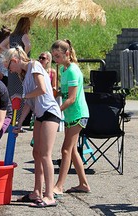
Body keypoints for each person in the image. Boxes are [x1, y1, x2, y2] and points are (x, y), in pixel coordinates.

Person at [2, 46, 61, 208]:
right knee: (36, 152)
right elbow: (28, 103)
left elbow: (41, 90)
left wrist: (21, 95)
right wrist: (19, 124)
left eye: (9, 67)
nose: (10, 71)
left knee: (45, 154)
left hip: (50, 112)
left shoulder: (35, 66)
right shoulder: (25, 74)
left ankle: (49, 196)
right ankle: (37, 191)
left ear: (14, 61)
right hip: (40, 114)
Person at [50, 39, 91, 197]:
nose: (56, 60)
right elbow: (65, 92)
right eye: (54, 56)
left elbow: (72, 98)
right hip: (71, 115)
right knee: (72, 150)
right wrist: (57, 92)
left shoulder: (73, 70)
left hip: (78, 114)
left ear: (67, 54)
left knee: (65, 150)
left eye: (58, 56)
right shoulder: (65, 70)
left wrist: (56, 110)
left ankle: (59, 186)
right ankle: (84, 184)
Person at [0, 17, 32, 126]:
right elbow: (28, 45)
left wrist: (9, 52)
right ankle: (18, 118)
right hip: (19, 65)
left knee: (12, 91)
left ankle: (12, 116)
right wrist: (23, 54)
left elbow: (2, 45)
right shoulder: (24, 36)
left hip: (12, 66)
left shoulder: (12, 36)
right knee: (21, 91)